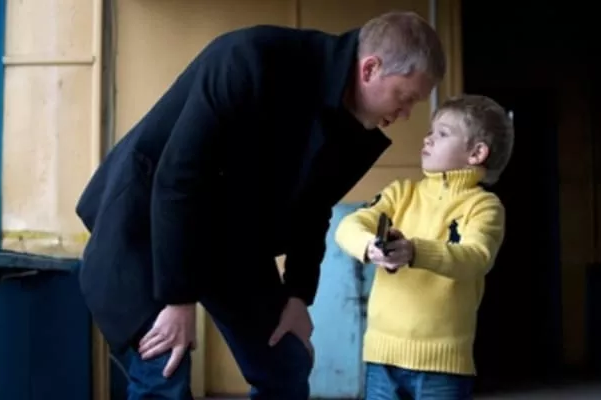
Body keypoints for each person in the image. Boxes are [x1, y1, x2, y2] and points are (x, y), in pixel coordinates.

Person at [75, 11, 445, 400]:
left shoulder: (356, 122)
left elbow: (314, 207)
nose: (406, 115)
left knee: (286, 363)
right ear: (370, 69)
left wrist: (298, 296)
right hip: (150, 222)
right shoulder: (251, 59)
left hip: (231, 236)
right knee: (164, 365)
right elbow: (178, 179)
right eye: (405, 98)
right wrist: (178, 299)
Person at [335, 94, 514, 400]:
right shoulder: (401, 192)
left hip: (443, 366)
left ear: (476, 153)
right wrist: (370, 246)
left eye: (442, 133)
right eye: (431, 130)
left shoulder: (484, 206)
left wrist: (415, 252)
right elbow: (348, 226)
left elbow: (477, 258)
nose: (428, 138)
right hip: (381, 357)